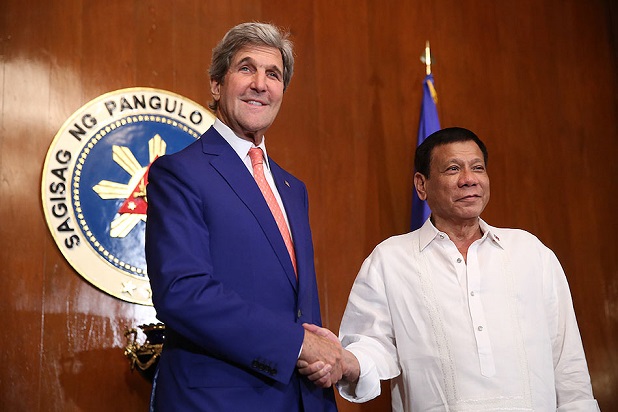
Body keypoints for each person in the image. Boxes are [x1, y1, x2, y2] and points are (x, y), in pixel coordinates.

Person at [299, 127, 600, 411]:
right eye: (453, 169)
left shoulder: (530, 251)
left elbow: (568, 362)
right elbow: (372, 346)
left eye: (478, 168)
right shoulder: (390, 259)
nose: (469, 179)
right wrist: (346, 361)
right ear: (422, 185)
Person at [145, 22, 340, 411]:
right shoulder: (180, 172)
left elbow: (298, 304)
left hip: (302, 398)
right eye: (246, 69)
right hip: (220, 399)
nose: (260, 84)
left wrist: (323, 357)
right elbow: (182, 292)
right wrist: (298, 344)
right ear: (217, 85)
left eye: (274, 74)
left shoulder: (292, 188)